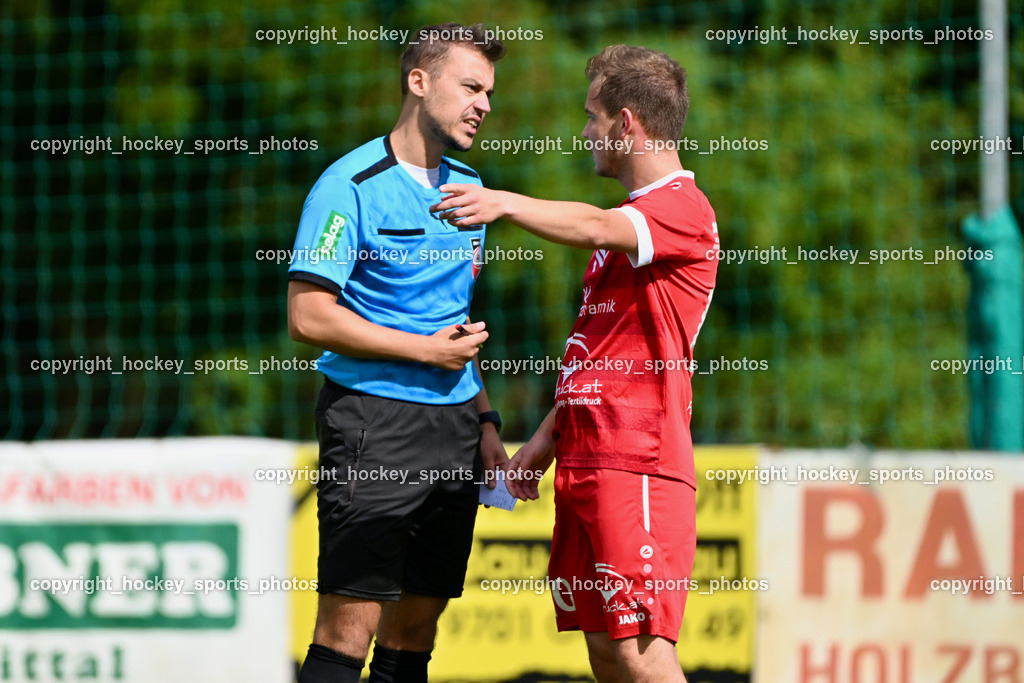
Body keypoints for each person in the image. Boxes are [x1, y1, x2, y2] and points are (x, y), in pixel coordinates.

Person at [433, 44, 718, 682]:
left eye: (592, 117)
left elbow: (592, 223)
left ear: (627, 123)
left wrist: (504, 203)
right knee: (603, 650)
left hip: (640, 463)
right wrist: (535, 453)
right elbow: (595, 363)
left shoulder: (680, 208)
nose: (585, 132)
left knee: (643, 655)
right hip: (588, 463)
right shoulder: (626, 230)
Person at [286, 23, 506, 683]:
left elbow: (453, 323)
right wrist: (422, 352)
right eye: (471, 86)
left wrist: (487, 421)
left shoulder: (471, 188)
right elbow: (307, 315)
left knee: (415, 631)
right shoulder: (347, 183)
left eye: (489, 92)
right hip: (373, 423)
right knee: (347, 628)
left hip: (457, 428)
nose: (484, 105)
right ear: (418, 81)